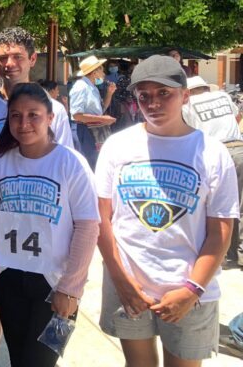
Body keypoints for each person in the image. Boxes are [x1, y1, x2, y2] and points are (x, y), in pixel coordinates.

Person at [97, 55, 239, 367]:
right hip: (129, 285)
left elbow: (220, 231)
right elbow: (101, 219)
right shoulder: (117, 146)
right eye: (144, 95)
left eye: (164, 93)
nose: (153, 103)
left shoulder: (212, 152)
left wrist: (192, 289)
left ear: (185, 96)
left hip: (190, 290)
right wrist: (121, 280)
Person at [0, 82, 100, 367]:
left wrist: (71, 288)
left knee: (41, 362)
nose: (24, 123)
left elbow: (88, 228)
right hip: (9, 277)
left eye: (34, 115)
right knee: (19, 360)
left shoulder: (72, 163)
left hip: (55, 282)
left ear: (50, 118)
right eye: (16, 116)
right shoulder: (0, 164)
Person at [0, 26, 74, 367]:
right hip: (1, 224)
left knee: (43, 332)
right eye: (3, 57)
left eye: (17, 56)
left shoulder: (55, 111)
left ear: (32, 59)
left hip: (45, 229)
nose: (10, 63)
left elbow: (66, 172)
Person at [183, 75, 243, 268]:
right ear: (205, 88)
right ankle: (241, 254)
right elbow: (237, 117)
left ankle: (222, 255)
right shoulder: (223, 96)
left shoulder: (188, 104)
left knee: (216, 207)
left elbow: (188, 131)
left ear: (188, 92)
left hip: (215, 153)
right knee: (240, 205)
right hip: (239, 148)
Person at [69, 55, 116, 168]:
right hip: (84, 130)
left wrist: (109, 93)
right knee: (87, 165)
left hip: (92, 130)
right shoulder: (81, 87)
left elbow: (101, 109)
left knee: (95, 163)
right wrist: (103, 119)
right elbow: (77, 115)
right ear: (94, 73)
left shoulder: (92, 87)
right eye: (101, 70)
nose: (103, 73)